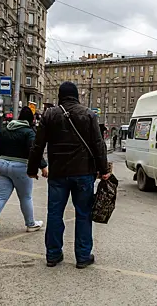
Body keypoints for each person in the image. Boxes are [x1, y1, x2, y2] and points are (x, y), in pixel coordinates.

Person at [28, 81, 110, 269]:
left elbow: (37, 145)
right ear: (76, 96)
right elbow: (98, 145)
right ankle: (82, 256)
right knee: (83, 214)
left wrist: (33, 169)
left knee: (55, 213)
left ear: (60, 96)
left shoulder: (50, 115)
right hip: (83, 173)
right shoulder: (88, 114)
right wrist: (104, 170)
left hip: (58, 173)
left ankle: (53, 255)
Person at [0, 107, 48, 238]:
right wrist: (43, 166)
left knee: (0, 197)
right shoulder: (29, 132)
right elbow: (33, 150)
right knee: (26, 197)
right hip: (20, 166)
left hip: (1, 165)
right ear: (31, 119)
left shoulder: (6, 130)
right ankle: (30, 224)